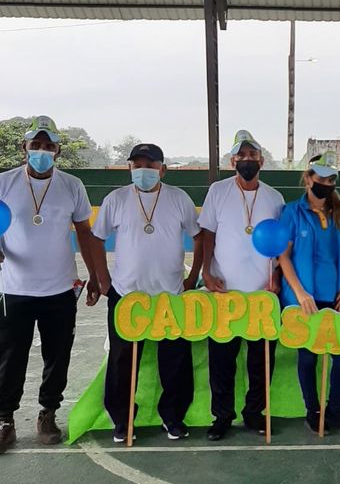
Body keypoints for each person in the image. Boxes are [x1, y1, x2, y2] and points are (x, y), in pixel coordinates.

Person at [0, 116, 100, 453]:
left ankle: (48, 413)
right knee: (9, 356)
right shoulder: (4, 183)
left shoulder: (72, 185)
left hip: (60, 288)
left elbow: (84, 233)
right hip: (13, 288)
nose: (41, 150)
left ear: (57, 149)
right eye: (36, 144)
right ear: (24, 147)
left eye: (48, 145)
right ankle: (5, 419)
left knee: (57, 355)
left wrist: (95, 276)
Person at [91, 143, 202, 443]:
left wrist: (193, 276)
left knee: (175, 361)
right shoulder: (116, 199)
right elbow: (96, 238)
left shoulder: (179, 198)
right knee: (121, 361)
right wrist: (103, 279)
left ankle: (173, 417)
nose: (143, 171)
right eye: (137, 165)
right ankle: (123, 420)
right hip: (126, 295)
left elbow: (199, 236)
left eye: (150, 166)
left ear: (162, 170)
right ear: (129, 168)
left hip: (170, 296)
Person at [199, 130, 284, 440]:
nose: (247, 160)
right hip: (225, 292)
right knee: (221, 361)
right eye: (241, 155)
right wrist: (206, 272)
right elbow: (207, 234)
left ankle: (254, 413)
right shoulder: (218, 191)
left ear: (261, 160)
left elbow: (281, 245)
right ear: (232, 160)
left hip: (263, 293)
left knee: (261, 361)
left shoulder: (275, 198)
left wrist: (277, 278)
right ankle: (222, 416)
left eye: (252, 155)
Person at [278, 151, 340, 433]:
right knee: (309, 356)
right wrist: (300, 293)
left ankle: (335, 406)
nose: (326, 184)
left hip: (336, 296)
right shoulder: (291, 212)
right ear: (308, 179)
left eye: (331, 179)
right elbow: (283, 256)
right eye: (321, 178)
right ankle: (313, 409)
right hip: (304, 299)